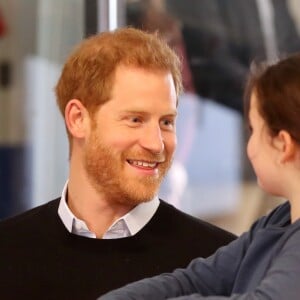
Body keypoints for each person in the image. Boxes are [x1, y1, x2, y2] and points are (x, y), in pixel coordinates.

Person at [0, 28, 235, 299]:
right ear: (78, 119)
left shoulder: (223, 265)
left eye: (166, 122)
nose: (156, 144)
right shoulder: (8, 251)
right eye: (135, 119)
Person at [99, 52, 300, 300]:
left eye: (253, 130)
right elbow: (198, 279)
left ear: (282, 145)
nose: (250, 147)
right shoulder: (277, 221)